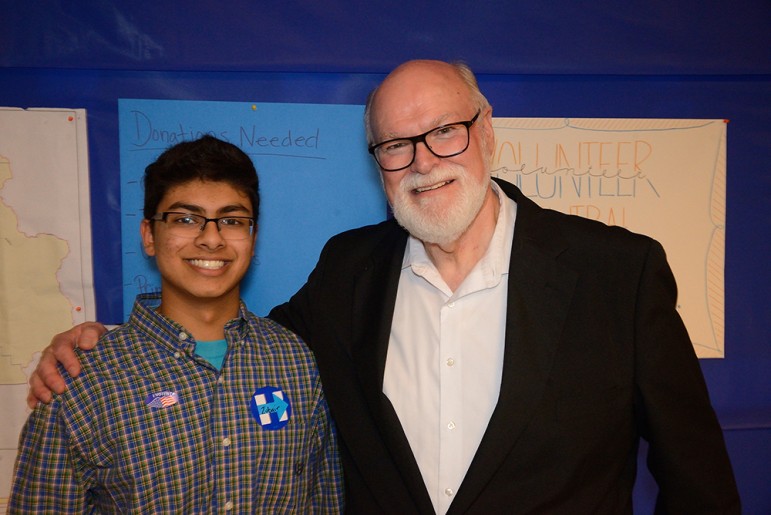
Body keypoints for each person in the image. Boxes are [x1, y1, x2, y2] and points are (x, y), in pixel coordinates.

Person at [29, 60, 740, 514]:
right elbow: (236, 342)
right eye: (396, 145)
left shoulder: (618, 271)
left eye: (444, 132)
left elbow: (698, 477)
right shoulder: (349, 270)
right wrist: (94, 340)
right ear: (378, 163)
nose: (422, 161)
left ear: (487, 131)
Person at [13, 136, 343, 513]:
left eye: (232, 220)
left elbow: (325, 502)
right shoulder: (82, 380)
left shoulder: (297, 363)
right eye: (186, 219)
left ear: (252, 239)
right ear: (149, 236)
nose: (211, 239)